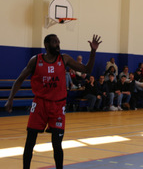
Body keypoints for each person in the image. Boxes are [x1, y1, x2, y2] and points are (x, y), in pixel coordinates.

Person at [4, 34, 102, 169]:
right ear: (46, 44)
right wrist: (10, 99)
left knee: (57, 145)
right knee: (30, 142)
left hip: (58, 105)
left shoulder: (64, 59)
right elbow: (20, 79)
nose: (58, 44)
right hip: (40, 104)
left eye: (58, 41)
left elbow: (87, 70)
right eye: (55, 42)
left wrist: (93, 51)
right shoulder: (36, 60)